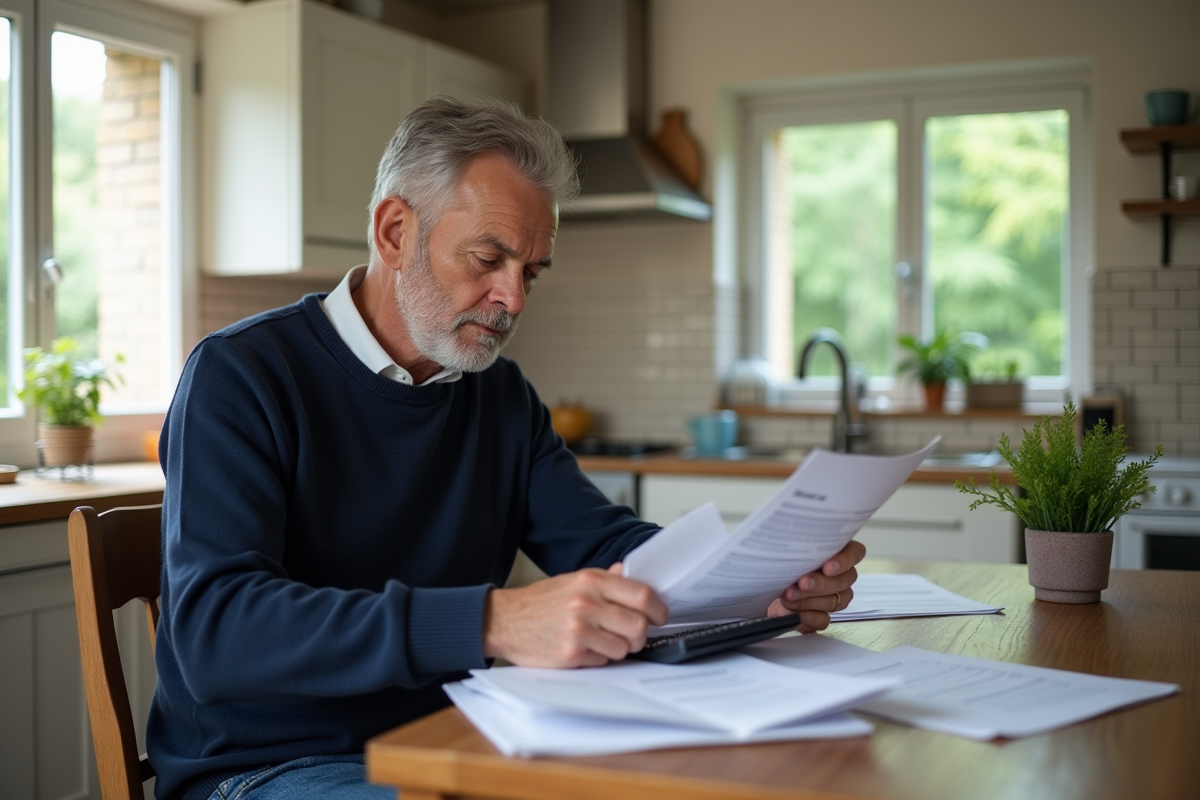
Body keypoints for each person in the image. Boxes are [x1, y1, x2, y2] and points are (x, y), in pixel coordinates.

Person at [147, 97, 865, 800]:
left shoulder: (498, 395)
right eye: (488, 258)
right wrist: (493, 620)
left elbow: (600, 542)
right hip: (269, 766)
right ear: (395, 232)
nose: (513, 299)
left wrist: (749, 584)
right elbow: (218, 632)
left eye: (532, 271)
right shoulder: (240, 376)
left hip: (457, 733)